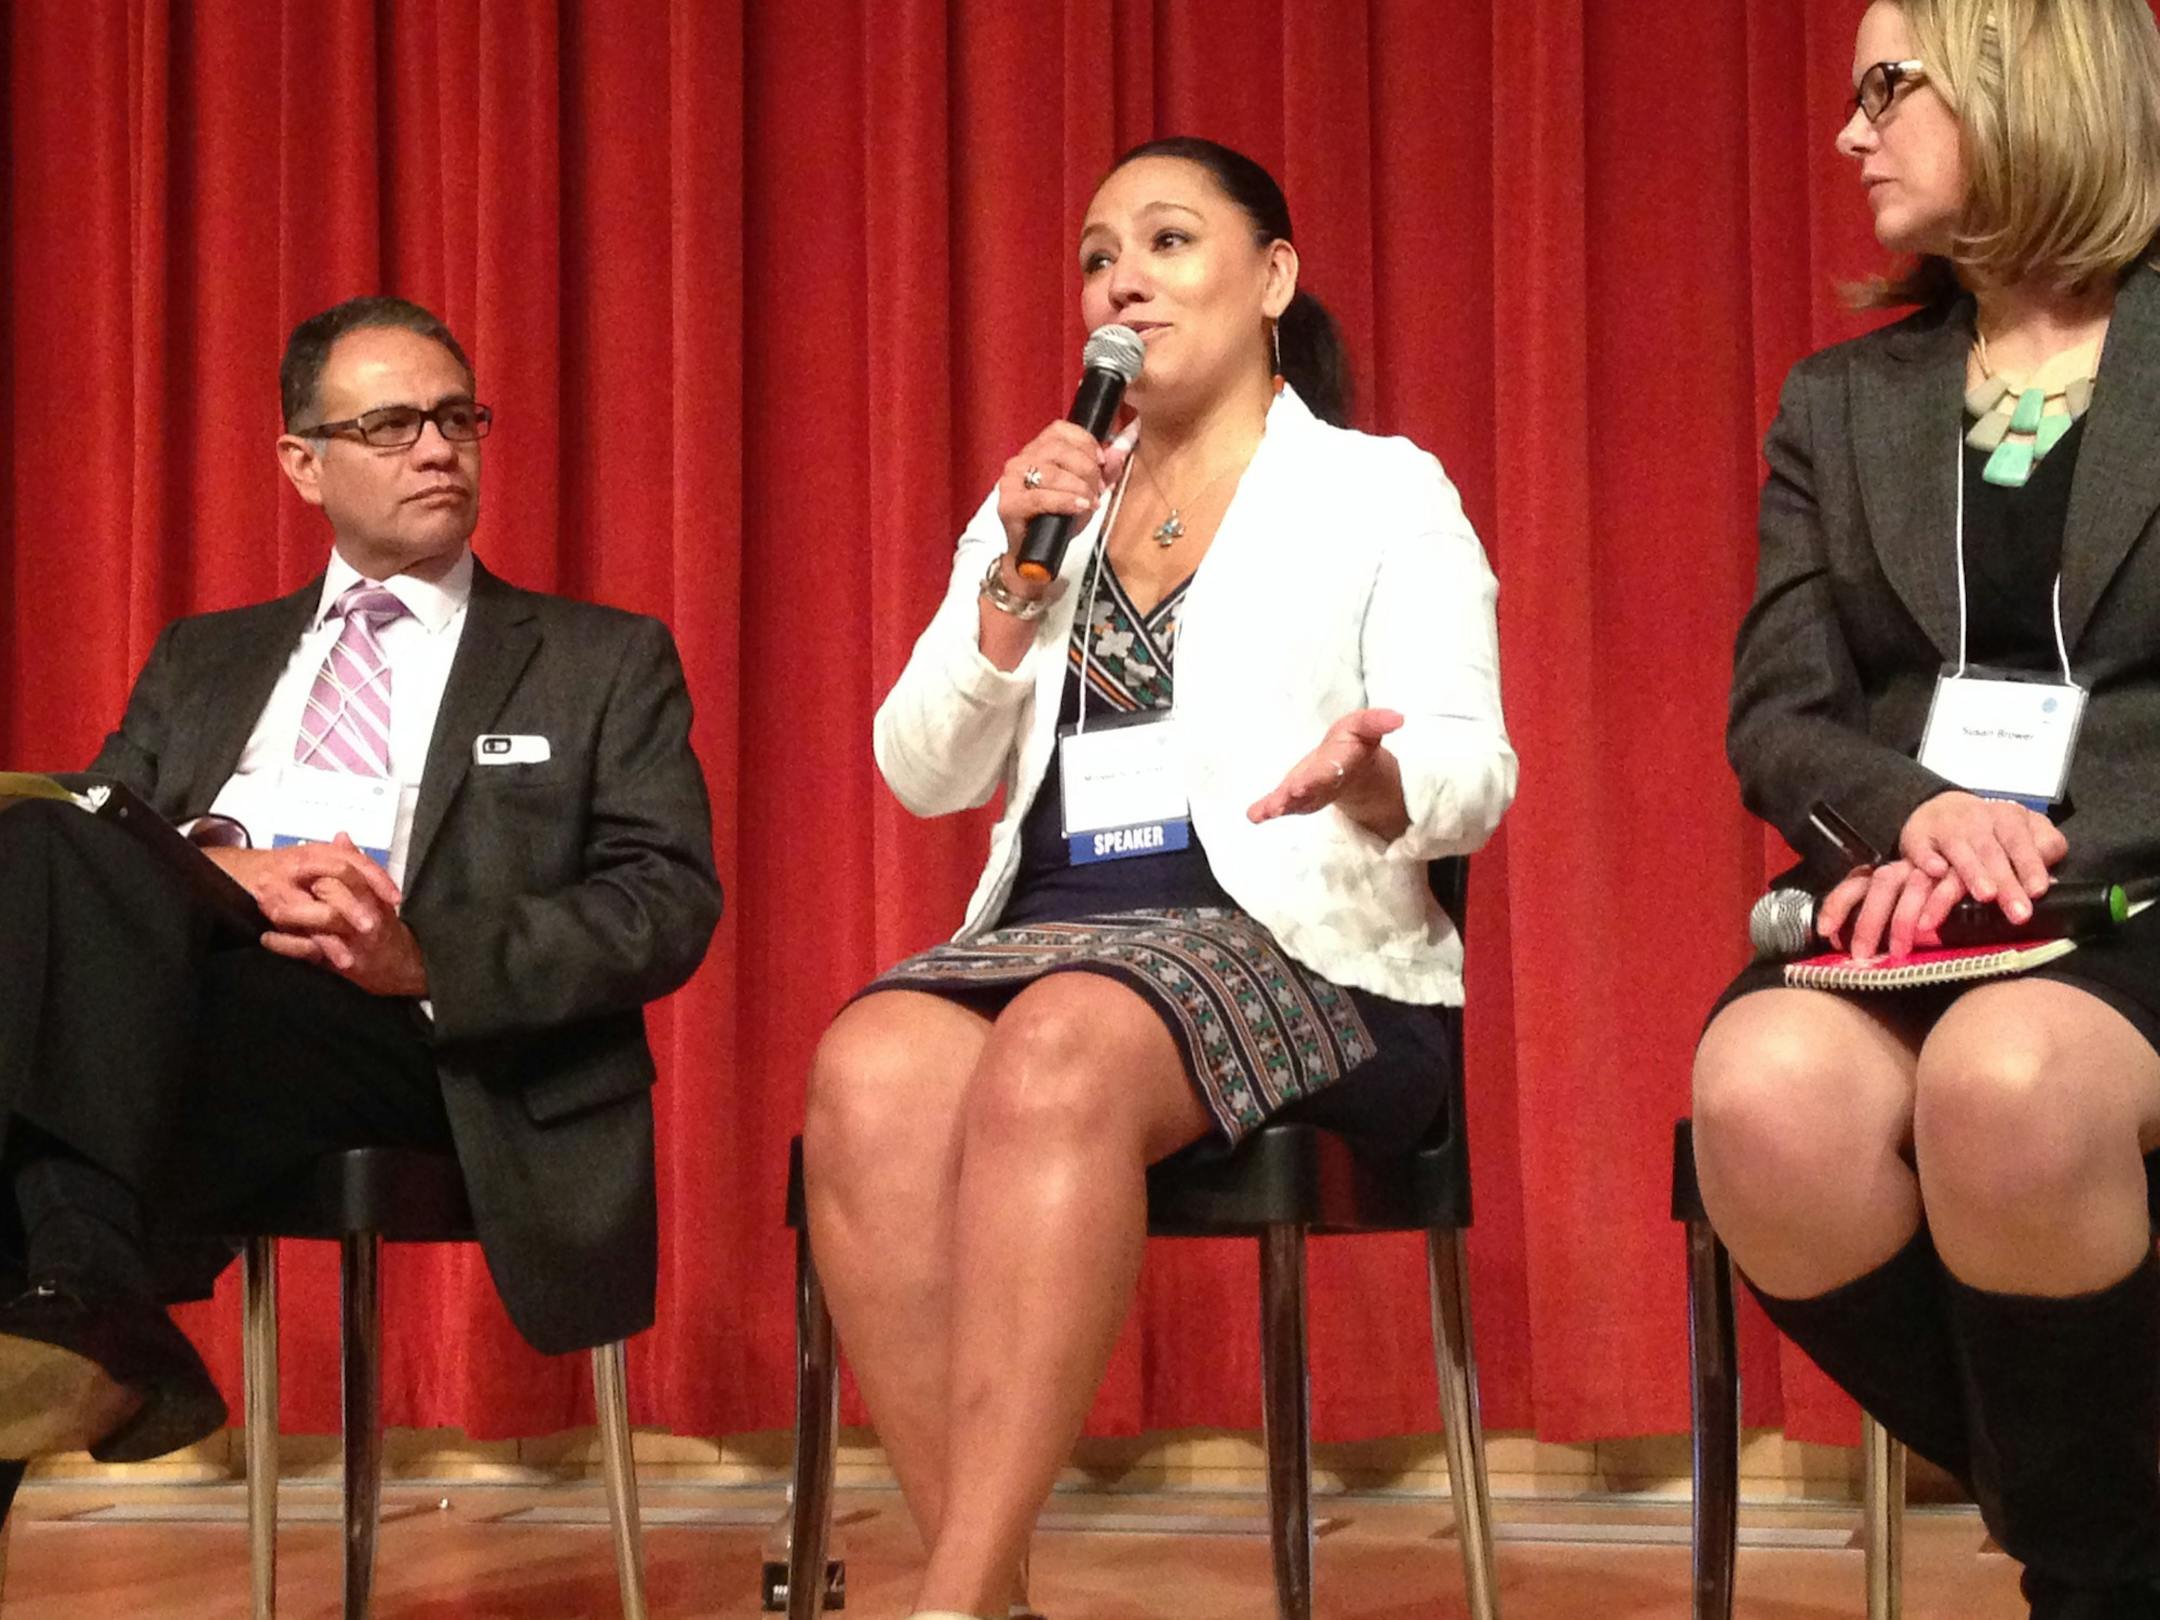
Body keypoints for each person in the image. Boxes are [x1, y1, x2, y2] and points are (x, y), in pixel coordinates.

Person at [802, 136, 1514, 1620]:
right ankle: (988, 1597)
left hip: (1298, 942)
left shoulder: (1378, 491)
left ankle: (945, 1607)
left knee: (1064, 1042)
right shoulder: (1046, 502)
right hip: (1050, 931)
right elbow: (921, 770)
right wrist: (1007, 586)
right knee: (868, 1065)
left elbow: (1475, 768)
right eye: (1096, 256)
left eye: (1169, 241)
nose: (1121, 279)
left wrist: (1375, 778)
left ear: (1274, 278)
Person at [0, 296, 721, 1475]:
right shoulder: (204, 657)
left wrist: (423, 956)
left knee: (38, 1059)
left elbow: (665, 899)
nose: (437, 450)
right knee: (37, 839)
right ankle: (86, 1302)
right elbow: (92, 840)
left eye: (456, 418)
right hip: (196, 998)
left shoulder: (598, 658)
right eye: (391, 426)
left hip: (425, 1039)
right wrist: (229, 870)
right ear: (303, 464)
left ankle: (92, 1299)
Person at [1691, 3, 2160, 1613]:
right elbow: (1780, 715)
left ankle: (2089, 1578)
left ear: (2031, 78)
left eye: (1888, 87)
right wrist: (1916, 819)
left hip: (2139, 901)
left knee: (2007, 1078)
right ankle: (2109, 1543)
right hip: (1923, 905)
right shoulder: (1843, 400)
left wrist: (2035, 852)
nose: (1850, 133)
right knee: (1761, 1097)